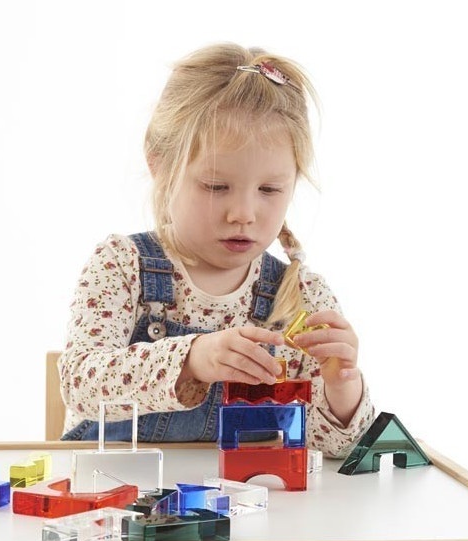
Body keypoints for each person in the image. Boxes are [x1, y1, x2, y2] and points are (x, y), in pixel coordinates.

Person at [58, 42, 374, 456]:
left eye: (269, 189)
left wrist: (342, 385)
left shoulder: (300, 296)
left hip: (240, 495)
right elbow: (79, 384)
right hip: (114, 485)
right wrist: (192, 359)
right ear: (159, 166)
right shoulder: (122, 265)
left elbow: (334, 450)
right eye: (215, 186)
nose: (243, 213)